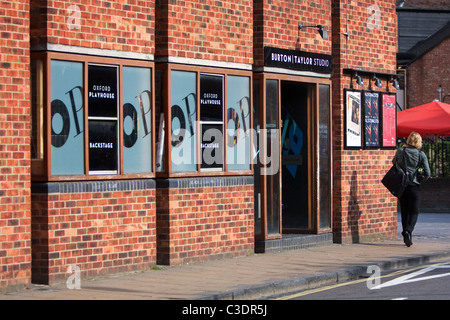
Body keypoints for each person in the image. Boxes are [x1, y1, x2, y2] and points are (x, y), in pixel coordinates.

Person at [392, 132, 431, 247]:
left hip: (402, 186)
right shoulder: (421, 154)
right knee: (414, 211)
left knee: (404, 211)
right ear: (419, 141)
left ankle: (406, 237)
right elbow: (428, 173)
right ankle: (408, 231)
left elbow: (394, 162)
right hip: (414, 186)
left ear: (408, 140)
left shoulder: (401, 151)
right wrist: (421, 178)